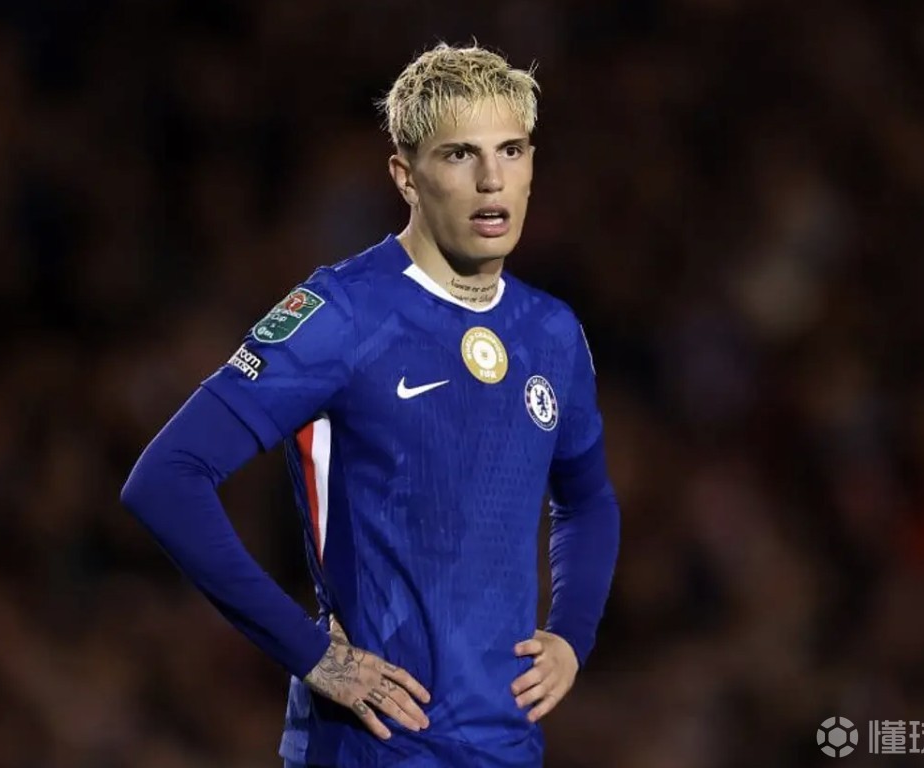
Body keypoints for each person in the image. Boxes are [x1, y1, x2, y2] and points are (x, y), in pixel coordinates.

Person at [121, 41, 620, 768]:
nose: (492, 180)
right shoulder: (342, 314)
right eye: (459, 155)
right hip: (368, 749)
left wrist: (572, 634)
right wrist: (309, 652)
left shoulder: (552, 332)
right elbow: (166, 480)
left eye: (510, 151)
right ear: (405, 176)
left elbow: (588, 499)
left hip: (507, 750)